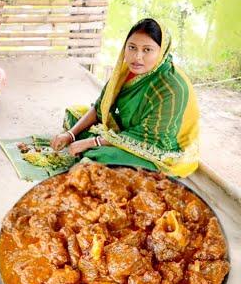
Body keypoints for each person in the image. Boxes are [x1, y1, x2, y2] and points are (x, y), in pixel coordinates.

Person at [51, 18, 199, 177]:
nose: (137, 57)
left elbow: (151, 139)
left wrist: (92, 142)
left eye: (147, 50)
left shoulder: (171, 87)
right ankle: (96, 145)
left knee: (96, 160)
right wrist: (70, 134)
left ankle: (98, 150)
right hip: (123, 130)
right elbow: (101, 108)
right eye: (132, 47)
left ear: (161, 52)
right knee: (74, 115)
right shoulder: (124, 72)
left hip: (160, 151)